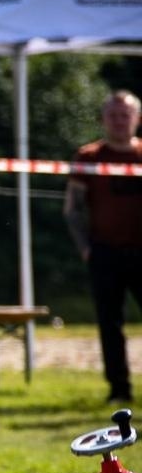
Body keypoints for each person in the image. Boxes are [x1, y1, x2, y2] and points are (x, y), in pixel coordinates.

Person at [65, 89, 142, 405]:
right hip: (104, 253)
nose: (119, 121)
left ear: (136, 118)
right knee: (110, 325)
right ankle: (119, 390)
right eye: (113, 115)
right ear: (103, 119)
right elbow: (72, 209)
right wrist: (86, 248)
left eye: (125, 115)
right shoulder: (89, 157)